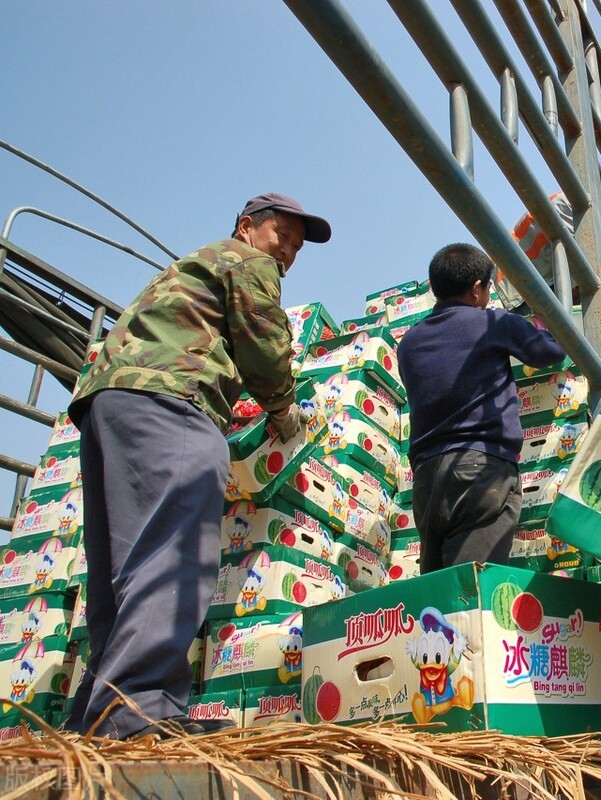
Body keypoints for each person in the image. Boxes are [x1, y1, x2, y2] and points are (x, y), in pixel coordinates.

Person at [64, 193, 331, 739]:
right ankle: (141, 710)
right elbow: (264, 346)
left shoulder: (192, 266)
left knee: (121, 571)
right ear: (247, 227)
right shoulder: (246, 261)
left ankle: (97, 714)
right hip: (172, 401)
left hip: (109, 404)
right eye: (284, 237)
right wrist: (284, 412)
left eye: (298, 248)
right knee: (173, 555)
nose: (289, 254)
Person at [397, 243, 566, 574]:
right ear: (477, 290)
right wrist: (543, 311)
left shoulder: (409, 343)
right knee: (473, 592)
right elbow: (552, 352)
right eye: (488, 286)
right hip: (480, 472)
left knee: (441, 596)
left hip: (427, 480)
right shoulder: (493, 323)